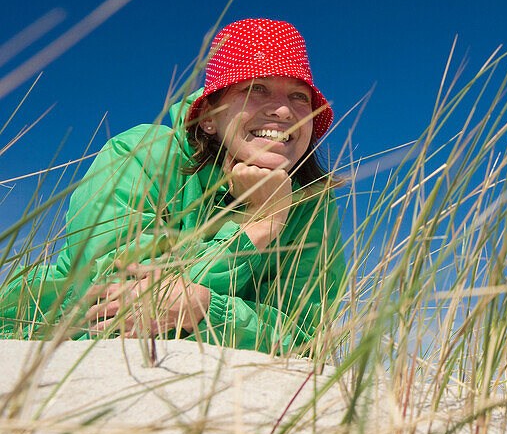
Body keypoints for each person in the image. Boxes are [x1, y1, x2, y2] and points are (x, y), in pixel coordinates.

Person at [0, 19, 347, 355]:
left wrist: (207, 308)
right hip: (37, 340)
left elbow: (307, 337)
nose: (285, 111)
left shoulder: (310, 198)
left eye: (300, 97)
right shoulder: (140, 154)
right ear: (208, 117)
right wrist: (259, 226)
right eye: (256, 88)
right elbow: (114, 302)